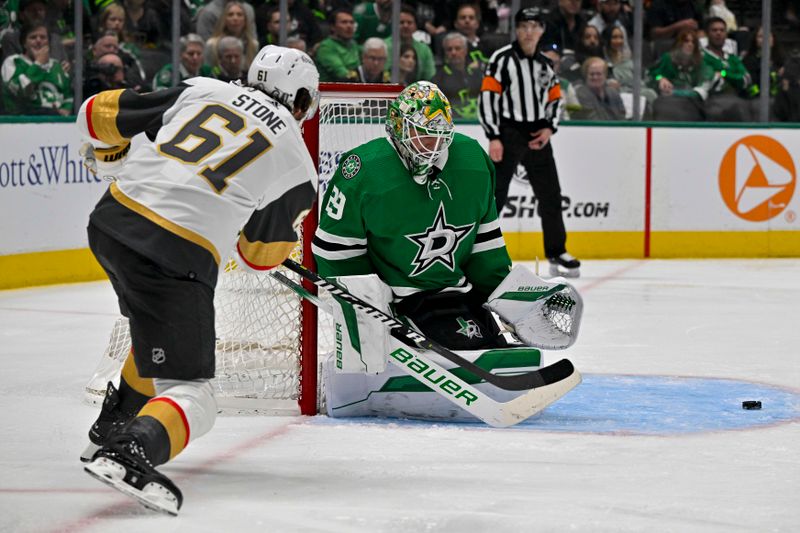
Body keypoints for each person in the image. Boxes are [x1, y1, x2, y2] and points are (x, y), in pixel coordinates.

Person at [78, 45, 319, 515]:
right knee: (195, 395)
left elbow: (95, 114)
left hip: (110, 222)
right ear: (302, 100)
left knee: (154, 335)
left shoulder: (203, 88)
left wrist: (111, 151)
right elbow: (259, 259)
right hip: (173, 257)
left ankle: (114, 425)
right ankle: (132, 450)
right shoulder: (298, 162)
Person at [312, 81, 544, 420]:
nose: (432, 147)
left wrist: (505, 296)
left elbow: (485, 246)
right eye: (423, 135)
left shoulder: (472, 160)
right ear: (397, 128)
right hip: (400, 299)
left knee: (481, 341)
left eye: (440, 136)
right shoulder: (363, 169)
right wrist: (369, 306)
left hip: (457, 293)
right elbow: (334, 252)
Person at [479, 7, 580, 278]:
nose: (528, 31)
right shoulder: (501, 60)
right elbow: (488, 97)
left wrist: (549, 128)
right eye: (523, 25)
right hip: (508, 131)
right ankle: (479, 250)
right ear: (516, 29)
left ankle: (557, 250)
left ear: (542, 30)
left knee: (551, 194)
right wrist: (494, 136)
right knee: (495, 196)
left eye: (534, 26)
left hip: (538, 134)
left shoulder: (546, 65)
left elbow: (555, 99)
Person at [1, 20, 72, 115]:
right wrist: (38, 64)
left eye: (43, 37)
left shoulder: (57, 66)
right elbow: (20, 90)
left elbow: (68, 95)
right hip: (22, 122)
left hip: (56, 122)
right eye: (33, 37)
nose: (38, 41)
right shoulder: (13, 62)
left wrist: (66, 110)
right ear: (24, 43)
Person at [648, 29, 713, 122]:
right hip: (666, 102)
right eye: (686, 41)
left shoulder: (702, 63)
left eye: (693, 42)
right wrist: (660, 78)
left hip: (692, 103)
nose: (690, 44)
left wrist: (675, 93)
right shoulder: (668, 58)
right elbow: (651, 74)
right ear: (679, 43)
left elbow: (702, 91)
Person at [701, 16, 750, 122]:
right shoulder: (702, 56)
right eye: (714, 30)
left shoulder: (732, 57)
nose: (718, 33)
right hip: (712, 100)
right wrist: (734, 77)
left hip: (736, 99)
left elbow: (745, 80)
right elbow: (712, 81)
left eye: (722, 30)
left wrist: (724, 74)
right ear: (707, 34)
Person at [432, 32, 483, 119]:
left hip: (479, 122)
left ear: (465, 50)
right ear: (445, 53)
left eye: (457, 48)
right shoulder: (438, 79)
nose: (453, 52)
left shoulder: (478, 74)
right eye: (449, 49)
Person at [384, 4, 435, 83]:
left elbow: (430, 77)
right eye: (401, 22)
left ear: (415, 26)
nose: (405, 26)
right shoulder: (384, 46)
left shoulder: (424, 49)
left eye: (409, 22)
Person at [204, 0, 259, 69]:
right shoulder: (212, 45)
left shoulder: (253, 45)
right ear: (224, 20)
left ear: (245, 20)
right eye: (230, 14)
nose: (235, 18)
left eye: (239, 15)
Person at [573, 56, 626, 120]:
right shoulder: (581, 94)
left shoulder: (613, 92)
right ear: (586, 75)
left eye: (599, 74)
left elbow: (622, 116)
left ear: (605, 75)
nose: (595, 77)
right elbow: (592, 119)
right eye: (592, 74)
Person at [315, 8, 360, 82]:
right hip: (330, 91)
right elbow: (342, 74)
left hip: (354, 87)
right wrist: (363, 76)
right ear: (333, 27)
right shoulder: (326, 47)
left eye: (351, 22)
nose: (349, 26)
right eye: (344, 22)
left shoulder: (354, 44)